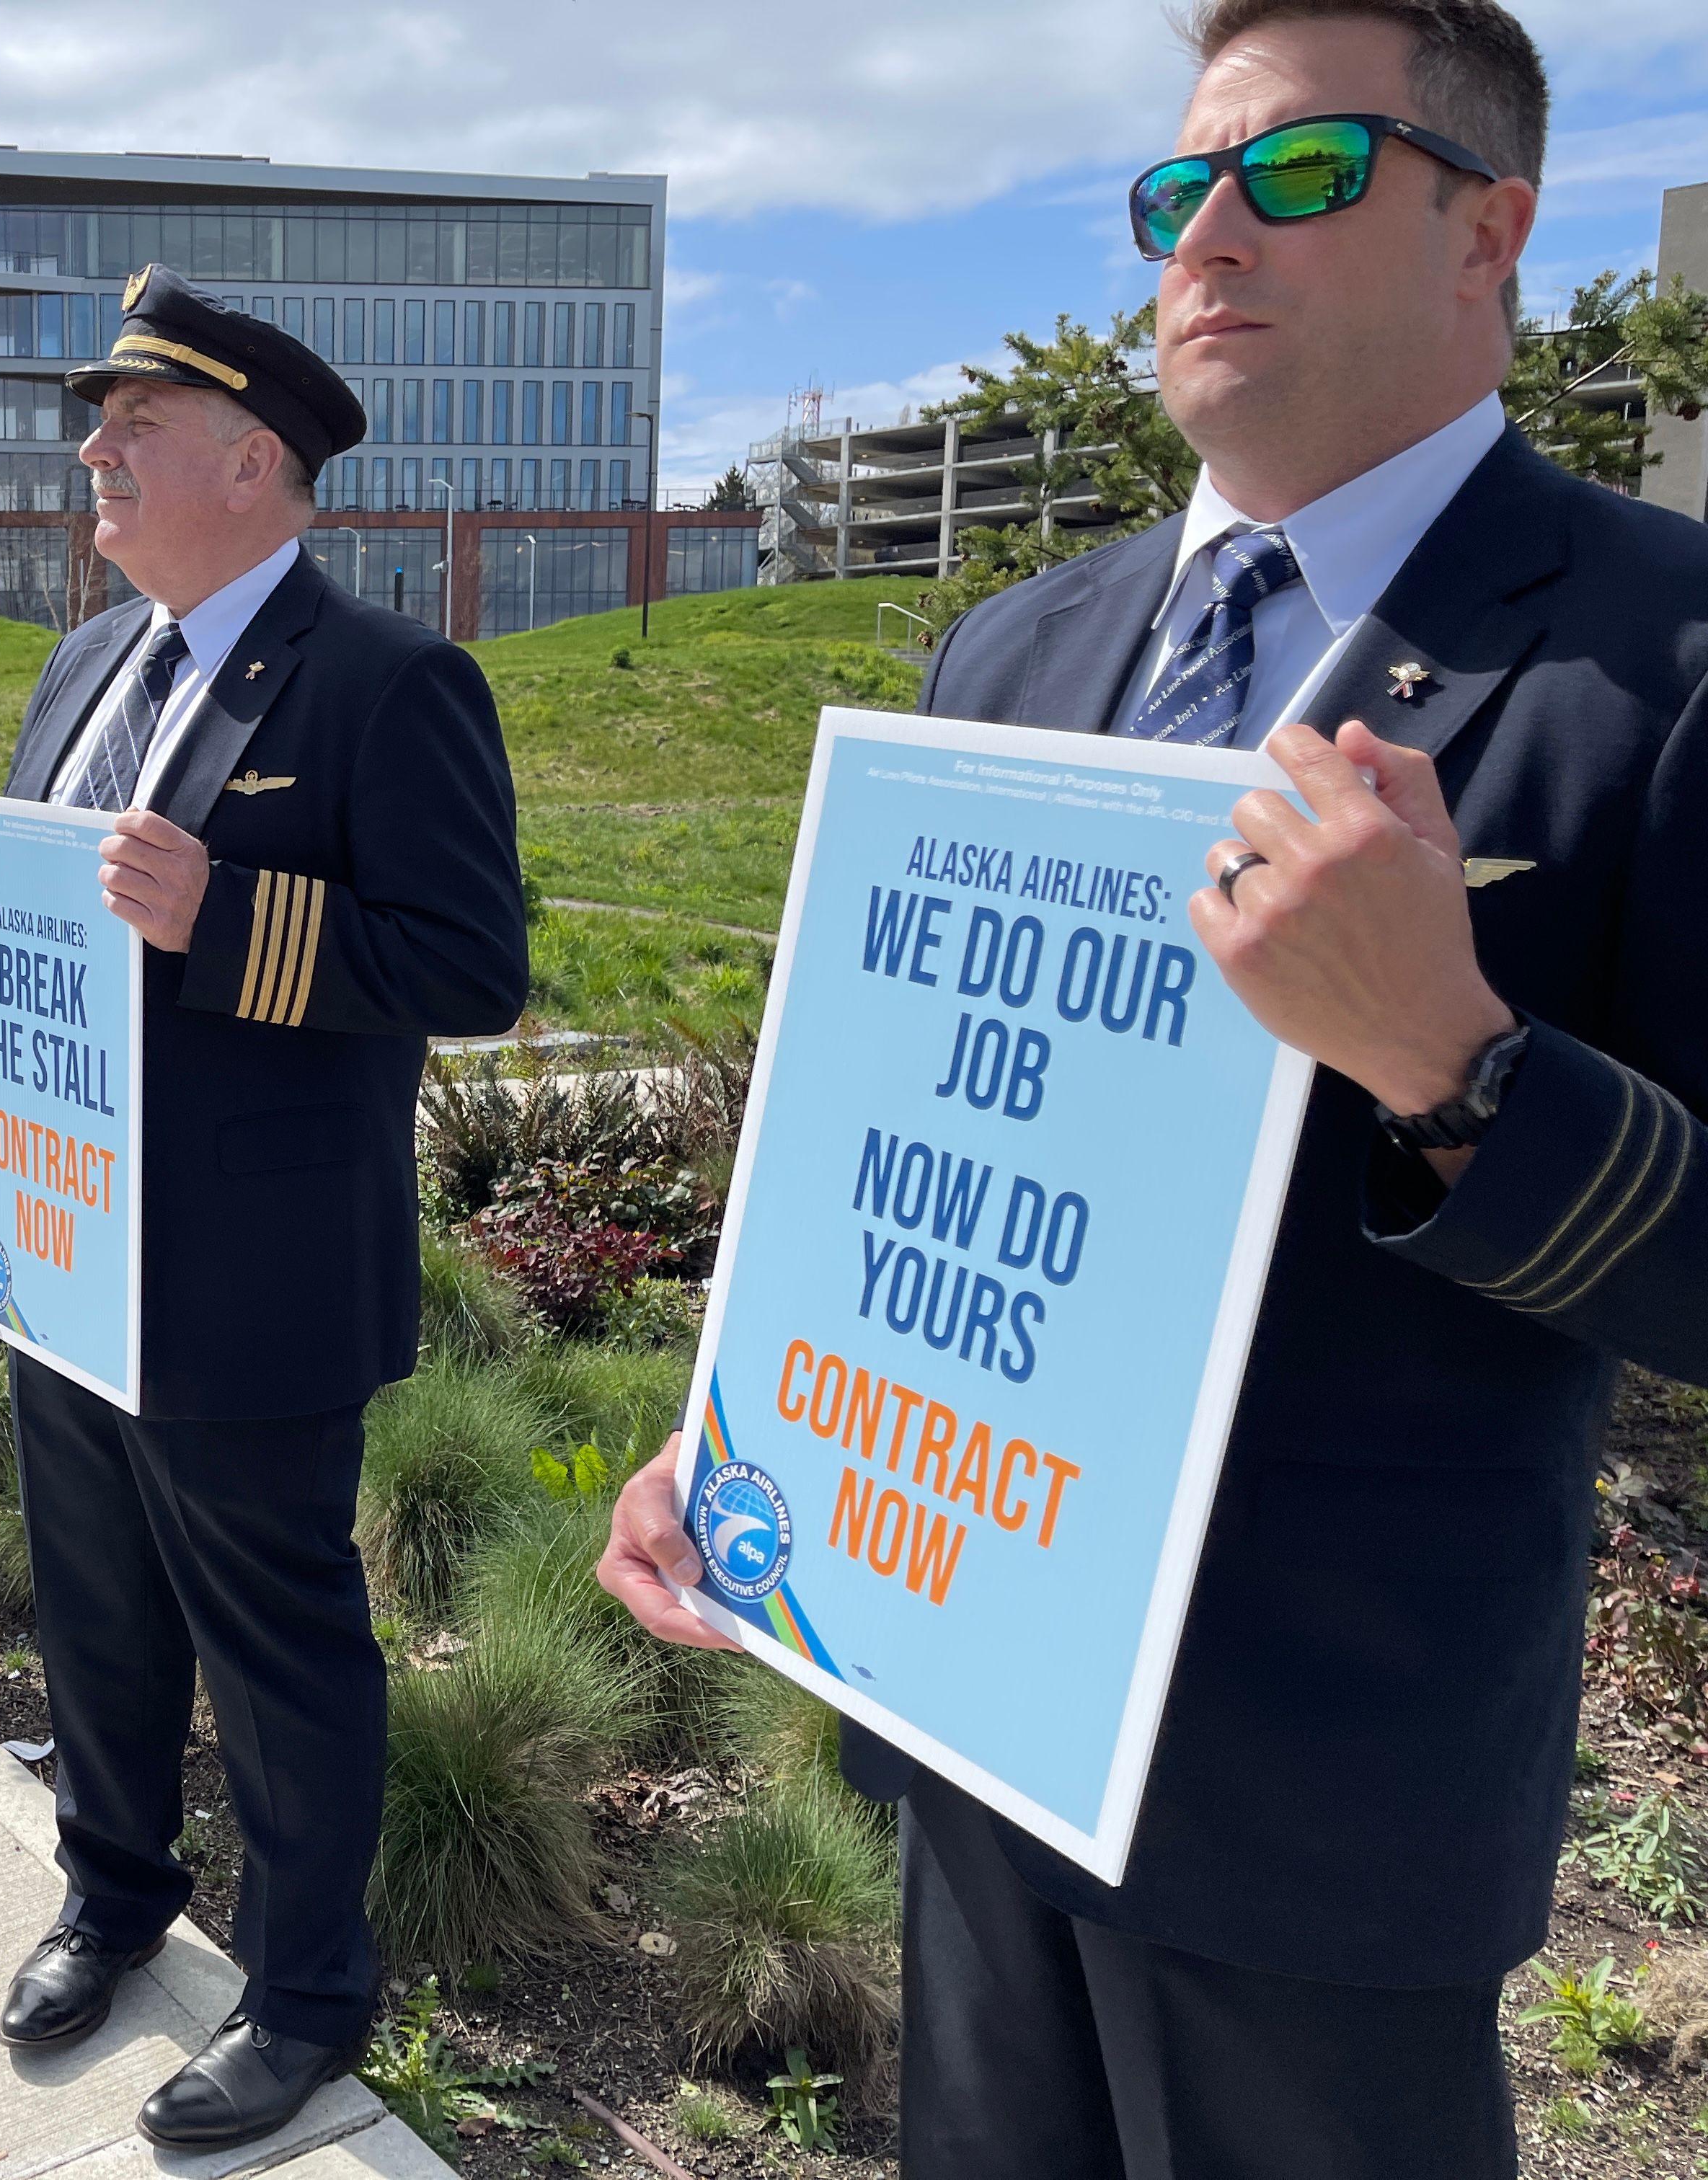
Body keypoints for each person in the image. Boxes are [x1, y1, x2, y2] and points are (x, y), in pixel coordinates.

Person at [600, 5, 1708, 2173]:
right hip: (967, 1701)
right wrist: (749, 1418)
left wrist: (1456, 1066)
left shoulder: (1662, 655)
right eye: (1178, 184)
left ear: (1490, 231)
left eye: (1296, 171)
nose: (1208, 230)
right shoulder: (1014, 653)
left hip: (1320, 1789)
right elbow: (918, 1129)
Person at [0, 269, 529, 2152]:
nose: (95, 451)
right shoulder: (83, 666)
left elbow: (471, 965)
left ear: (256, 463)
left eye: (138, 424)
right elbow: (17, 954)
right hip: (66, 1250)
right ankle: (111, 1894)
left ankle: (309, 1995)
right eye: (97, 425)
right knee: (95, 1616)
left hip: (249, 1284)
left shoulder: (387, 681)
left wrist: (229, 917)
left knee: (277, 1659)